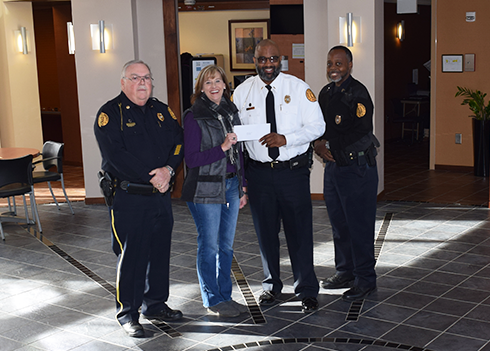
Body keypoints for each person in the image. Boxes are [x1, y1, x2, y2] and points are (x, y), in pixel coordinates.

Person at [232, 39, 325, 313]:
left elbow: (318, 126)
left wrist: (287, 139)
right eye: (262, 60)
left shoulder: (298, 88)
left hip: (292, 174)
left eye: (273, 59)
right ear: (255, 61)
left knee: (299, 233)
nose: (268, 65)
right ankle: (271, 286)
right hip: (259, 175)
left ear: (281, 60)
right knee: (265, 234)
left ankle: (306, 289)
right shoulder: (241, 92)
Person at [94, 60, 184, 337]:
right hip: (129, 197)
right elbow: (116, 156)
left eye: (146, 77)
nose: (142, 82)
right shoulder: (110, 114)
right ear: (123, 82)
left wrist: (169, 169)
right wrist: (152, 177)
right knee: (132, 257)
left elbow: (179, 141)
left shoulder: (161, 111)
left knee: (159, 253)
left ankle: (155, 304)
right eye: (135, 78)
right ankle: (128, 314)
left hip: (159, 197)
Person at [181, 65, 248, 318]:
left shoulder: (231, 111)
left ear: (225, 85)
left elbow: (239, 153)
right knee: (209, 246)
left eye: (218, 81)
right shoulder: (193, 116)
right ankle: (212, 298)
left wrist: (243, 185)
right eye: (208, 82)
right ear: (201, 87)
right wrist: (221, 147)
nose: (214, 87)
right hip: (205, 188)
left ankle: (225, 296)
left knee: (226, 247)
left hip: (231, 185)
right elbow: (191, 159)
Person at [314, 46, 379, 302]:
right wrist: (318, 144)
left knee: (359, 226)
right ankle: (345, 272)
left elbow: (362, 133)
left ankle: (365, 279)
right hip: (334, 168)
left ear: (349, 65)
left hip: (357, 168)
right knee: (339, 224)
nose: (333, 68)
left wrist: (329, 146)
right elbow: (319, 127)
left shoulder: (358, 93)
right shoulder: (326, 93)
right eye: (330, 63)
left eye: (339, 63)